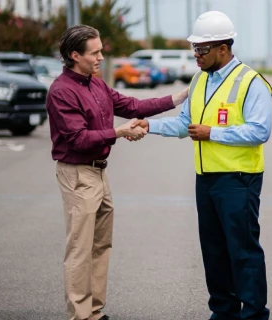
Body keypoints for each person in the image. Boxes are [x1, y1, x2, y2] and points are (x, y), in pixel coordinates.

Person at [135, 11, 272, 320]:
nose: (196, 55)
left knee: (243, 250)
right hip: (207, 179)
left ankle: (253, 314)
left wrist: (213, 133)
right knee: (213, 250)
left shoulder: (251, 82)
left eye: (202, 49)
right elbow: (185, 124)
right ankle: (223, 311)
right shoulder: (199, 80)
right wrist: (149, 127)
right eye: (194, 49)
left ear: (223, 48)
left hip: (239, 178)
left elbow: (260, 130)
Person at [46, 24, 188, 320]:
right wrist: (119, 132)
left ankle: (95, 312)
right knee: (80, 249)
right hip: (77, 175)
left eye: (101, 51)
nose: (101, 57)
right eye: (94, 52)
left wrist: (181, 97)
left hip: (99, 172)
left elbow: (132, 104)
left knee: (100, 244)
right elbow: (78, 138)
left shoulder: (96, 84)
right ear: (75, 55)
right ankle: (80, 316)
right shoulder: (62, 92)